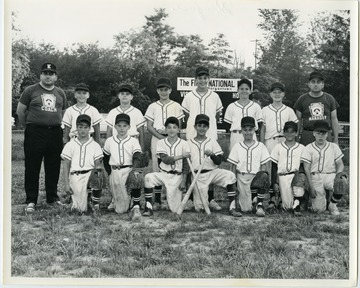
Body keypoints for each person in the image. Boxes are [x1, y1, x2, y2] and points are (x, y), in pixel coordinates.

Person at [16, 62, 68, 213]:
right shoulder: (30, 90)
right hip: (35, 132)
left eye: (51, 74)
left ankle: (52, 198)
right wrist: (29, 127)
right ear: (40, 75)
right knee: (32, 166)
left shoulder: (60, 93)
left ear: (55, 77)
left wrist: (55, 123)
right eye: (45, 73)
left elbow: (63, 112)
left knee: (53, 166)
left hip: (55, 133)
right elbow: (20, 111)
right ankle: (31, 200)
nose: (48, 76)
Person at [181, 66, 223, 210]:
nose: (203, 80)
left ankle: (211, 199)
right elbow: (187, 116)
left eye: (205, 78)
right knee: (191, 164)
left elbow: (216, 116)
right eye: (200, 78)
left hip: (209, 133)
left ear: (209, 79)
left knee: (209, 166)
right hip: (193, 133)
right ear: (195, 80)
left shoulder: (214, 96)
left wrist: (207, 127)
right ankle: (191, 198)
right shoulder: (189, 96)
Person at [187, 114, 241, 217]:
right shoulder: (188, 143)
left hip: (212, 172)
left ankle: (232, 207)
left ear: (208, 128)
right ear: (195, 127)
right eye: (199, 125)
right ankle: (201, 201)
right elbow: (185, 165)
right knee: (200, 209)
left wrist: (212, 155)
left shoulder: (212, 141)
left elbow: (218, 161)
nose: (202, 128)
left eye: (204, 126)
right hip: (197, 176)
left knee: (230, 176)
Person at [144, 77, 184, 210]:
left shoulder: (176, 105)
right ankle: (157, 200)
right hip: (157, 137)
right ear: (157, 91)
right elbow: (149, 126)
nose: (164, 92)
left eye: (166, 89)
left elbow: (179, 125)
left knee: (174, 165)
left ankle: (170, 197)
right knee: (157, 167)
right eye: (161, 89)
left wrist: (172, 139)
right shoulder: (153, 106)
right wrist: (161, 137)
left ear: (170, 90)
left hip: (173, 137)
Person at [260, 82, 298, 209]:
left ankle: (282, 197)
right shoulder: (265, 109)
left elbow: (294, 128)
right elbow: (262, 129)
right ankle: (271, 199)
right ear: (270, 94)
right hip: (270, 140)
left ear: (283, 94)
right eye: (274, 92)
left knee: (282, 168)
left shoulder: (289, 110)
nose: (277, 95)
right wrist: (261, 145)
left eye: (279, 92)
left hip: (284, 141)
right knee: (271, 170)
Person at [143, 117, 190, 216]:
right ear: (165, 129)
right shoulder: (161, 142)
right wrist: (181, 156)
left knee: (174, 210)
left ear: (178, 129)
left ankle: (170, 201)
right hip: (164, 174)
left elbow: (186, 165)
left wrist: (184, 182)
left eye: (174, 127)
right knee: (148, 177)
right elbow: (166, 160)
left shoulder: (184, 143)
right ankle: (148, 207)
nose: (172, 130)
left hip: (177, 176)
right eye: (169, 127)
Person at [227, 116, 270, 217]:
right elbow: (232, 166)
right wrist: (234, 182)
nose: (248, 132)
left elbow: (264, 166)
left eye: (250, 130)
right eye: (245, 130)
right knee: (246, 209)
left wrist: (263, 179)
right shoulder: (237, 146)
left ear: (254, 130)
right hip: (242, 177)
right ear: (241, 131)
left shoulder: (260, 146)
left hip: (255, 178)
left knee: (263, 175)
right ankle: (251, 203)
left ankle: (259, 204)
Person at [61, 115, 103, 213]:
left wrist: (98, 176)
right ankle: (75, 200)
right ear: (76, 128)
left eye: (85, 127)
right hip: (75, 176)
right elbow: (66, 165)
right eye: (80, 127)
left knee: (97, 176)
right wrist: (66, 184)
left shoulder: (95, 145)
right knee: (79, 209)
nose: (83, 130)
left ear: (90, 128)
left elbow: (98, 165)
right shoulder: (70, 144)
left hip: (89, 176)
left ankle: (94, 203)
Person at [301, 120, 344, 215]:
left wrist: (338, 175)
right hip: (315, 176)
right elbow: (306, 168)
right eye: (318, 133)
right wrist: (311, 186)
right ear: (314, 133)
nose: (321, 136)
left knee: (342, 181)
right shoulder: (308, 147)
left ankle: (333, 204)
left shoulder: (333, 146)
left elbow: (340, 164)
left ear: (327, 134)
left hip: (330, 175)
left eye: (323, 133)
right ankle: (324, 200)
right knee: (319, 210)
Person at [102, 113, 143, 216]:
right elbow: (106, 157)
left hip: (128, 170)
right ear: (115, 127)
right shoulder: (110, 140)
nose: (122, 128)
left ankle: (136, 204)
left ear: (129, 127)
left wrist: (134, 171)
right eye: (119, 126)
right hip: (115, 171)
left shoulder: (133, 141)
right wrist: (109, 172)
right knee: (121, 210)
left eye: (125, 126)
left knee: (137, 177)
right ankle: (116, 200)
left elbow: (137, 156)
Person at [294, 71, 340, 146]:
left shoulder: (330, 98)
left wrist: (336, 140)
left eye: (318, 82)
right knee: (306, 157)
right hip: (307, 135)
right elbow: (298, 120)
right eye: (313, 82)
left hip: (325, 135)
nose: (316, 84)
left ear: (322, 84)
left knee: (326, 157)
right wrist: (296, 138)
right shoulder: (302, 99)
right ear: (309, 84)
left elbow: (334, 119)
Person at [270, 121, 305, 214]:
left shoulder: (301, 148)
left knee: (300, 178)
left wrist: (302, 179)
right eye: (287, 131)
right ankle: (280, 200)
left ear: (296, 133)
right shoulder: (278, 147)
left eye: (292, 131)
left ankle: (297, 204)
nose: (290, 134)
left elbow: (303, 167)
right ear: (284, 133)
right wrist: (275, 182)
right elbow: (274, 166)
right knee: (287, 207)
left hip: (295, 177)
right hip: (282, 176)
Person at [224, 79, 263, 151]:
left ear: (250, 91)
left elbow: (260, 125)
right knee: (236, 160)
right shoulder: (231, 106)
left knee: (252, 160)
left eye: (246, 89)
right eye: (241, 89)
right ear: (237, 90)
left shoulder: (256, 106)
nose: (244, 91)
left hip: (251, 135)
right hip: (236, 135)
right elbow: (227, 126)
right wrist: (228, 142)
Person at [105, 84, 146, 150]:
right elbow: (109, 132)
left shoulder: (137, 112)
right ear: (119, 96)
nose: (124, 95)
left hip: (133, 142)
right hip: (116, 142)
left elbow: (141, 132)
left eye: (127, 94)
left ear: (131, 97)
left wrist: (142, 150)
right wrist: (108, 148)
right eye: (122, 93)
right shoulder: (113, 112)